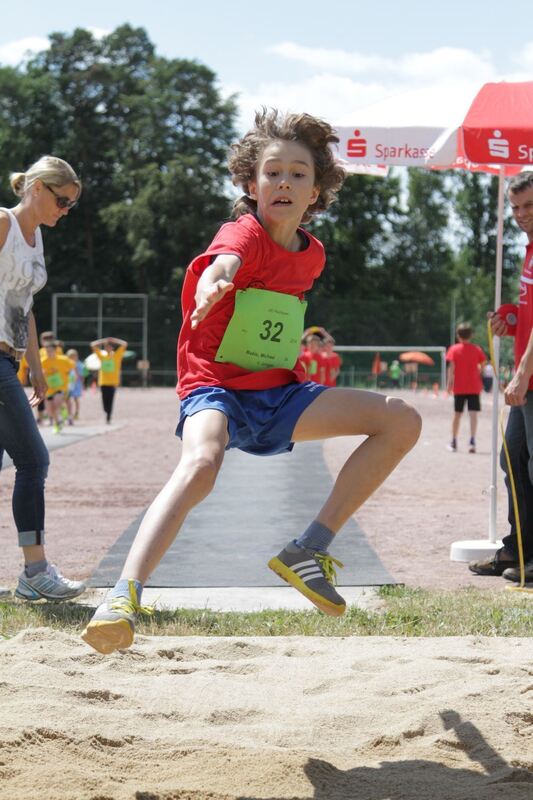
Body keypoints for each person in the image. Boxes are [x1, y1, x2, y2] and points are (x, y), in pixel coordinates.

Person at [82, 108, 421, 654]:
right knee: (201, 464)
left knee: (400, 419)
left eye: (298, 173)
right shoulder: (242, 230)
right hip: (213, 384)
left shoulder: (313, 256)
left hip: (278, 392)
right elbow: (225, 261)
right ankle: (123, 595)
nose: (283, 181)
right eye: (272, 172)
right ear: (250, 183)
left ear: (317, 191)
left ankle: (308, 549)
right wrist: (213, 285)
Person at [0, 155, 86, 600]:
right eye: (62, 200)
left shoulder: (35, 242)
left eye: (71, 204)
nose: (66, 210)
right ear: (37, 189)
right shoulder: (3, 223)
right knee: (33, 461)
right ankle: (35, 572)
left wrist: (34, 367)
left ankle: (32, 573)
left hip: (7, 361)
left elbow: (24, 308)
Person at [470, 171, 533, 581]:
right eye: (515, 207)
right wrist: (509, 317)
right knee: (513, 461)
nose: (521, 214)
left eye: (529, 206)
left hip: (528, 378)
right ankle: (518, 551)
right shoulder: (529, 250)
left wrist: (523, 372)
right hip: (526, 381)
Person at [445, 323, 486, 453]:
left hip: (459, 387)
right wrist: (478, 372)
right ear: (471, 335)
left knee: (457, 414)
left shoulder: (454, 349)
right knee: (473, 414)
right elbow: (483, 364)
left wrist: (448, 385)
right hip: (474, 386)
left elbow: (451, 369)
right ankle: (472, 441)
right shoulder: (477, 349)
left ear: (458, 335)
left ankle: (454, 441)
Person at [90, 337, 128, 423]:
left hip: (113, 382)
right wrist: (103, 341)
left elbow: (125, 344)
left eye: (109, 347)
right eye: (106, 347)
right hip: (103, 382)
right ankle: (106, 411)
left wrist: (114, 340)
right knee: (104, 399)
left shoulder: (117, 356)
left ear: (112, 348)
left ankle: (109, 415)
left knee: (110, 399)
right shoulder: (102, 357)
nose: (107, 348)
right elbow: (92, 345)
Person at [66, 348, 84, 421]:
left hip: (76, 384)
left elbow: (81, 375)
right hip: (68, 384)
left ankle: (76, 413)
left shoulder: (79, 364)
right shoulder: (66, 364)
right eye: (70, 357)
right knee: (67, 399)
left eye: (74, 356)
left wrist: (82, 383)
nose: (72, 358)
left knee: (76, 398)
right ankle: (69, 413)